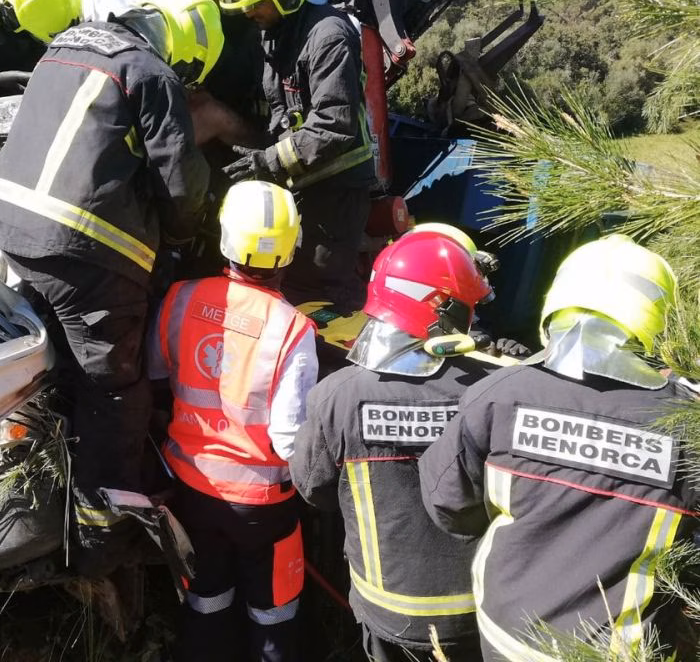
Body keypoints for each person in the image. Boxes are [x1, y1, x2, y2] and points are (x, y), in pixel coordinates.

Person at [0, 0, 224, 576]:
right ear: (187, 53)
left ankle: (40, 482)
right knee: (112, 388)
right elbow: (182, 187)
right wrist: (186, 237)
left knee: (48, 369)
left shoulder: (67, 44)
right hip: (85, 251)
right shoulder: (153, 74)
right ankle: (99, 541)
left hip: (6, 228)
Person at [419, 234, 699, 661]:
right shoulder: (686, 426)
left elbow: (447, 504)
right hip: (622, 650)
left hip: (506, 636)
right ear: (660, 319)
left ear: (555, 303)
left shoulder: (498, 395)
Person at [290, 228, 517, 662]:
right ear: (442, 309)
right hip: (477, 612)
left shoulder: (338, 395)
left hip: (386, 612)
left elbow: (314, 490)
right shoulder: (492, 390)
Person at [148, 180, 319, 662]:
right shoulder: (292, 328)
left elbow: (158, 374)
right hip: (263, 506)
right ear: (291, 249)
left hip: (191, 492)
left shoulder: (181, 298)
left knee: (205, 607)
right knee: (273, 618)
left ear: (224, 236)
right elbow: (289, 439)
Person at [219, 0, 376, 313]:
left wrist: (267, 162)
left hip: (336, 193)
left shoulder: (328, 36)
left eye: (257, 3)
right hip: (304, 182)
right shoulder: (274, 32)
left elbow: (333, 125)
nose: (248, 12)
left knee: (318, 290)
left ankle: (334, 361)